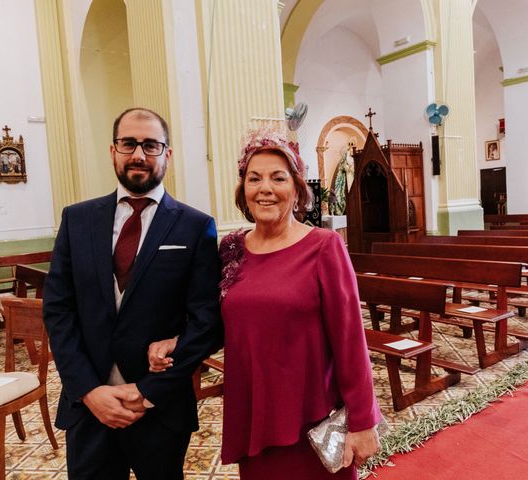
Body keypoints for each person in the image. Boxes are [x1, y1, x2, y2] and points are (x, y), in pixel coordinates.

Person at [150, 126, 381, 479]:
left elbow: (350, 341)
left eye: (278, 178)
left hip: (310, 417)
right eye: (254, 178)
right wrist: (178, 342)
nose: (266, 189)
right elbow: (220, 322)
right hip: (253, 412)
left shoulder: (323, 247)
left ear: (297, 187)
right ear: (244, 189)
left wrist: (363, 421)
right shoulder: (231, 250)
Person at [42, 107, 222, 479]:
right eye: (129, 143)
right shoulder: (77, 220)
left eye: (151, 145)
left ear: (167, 155)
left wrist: (147, 390)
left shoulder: (195, 226)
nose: (139, 154)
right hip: (89, 407)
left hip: (160, 409)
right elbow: (58, 311)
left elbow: (205, 321)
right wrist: (89, 391)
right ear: (113, 151)